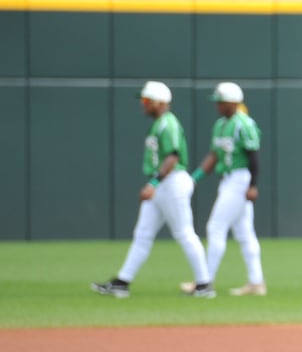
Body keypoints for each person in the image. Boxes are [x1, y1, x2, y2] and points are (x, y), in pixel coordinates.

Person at [92, 82, 215, 298]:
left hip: (171, 182)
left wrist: (154, 183)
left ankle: (204, 285)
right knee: (143, 234)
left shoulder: (168, 123)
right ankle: (122, 282)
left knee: (184, 233)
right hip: (163, 183)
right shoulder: (159, 124)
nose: (143, 105)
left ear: (160, 102)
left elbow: (173, 156)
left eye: (147, 101)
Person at [183, 82, 267, 297]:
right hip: (228, 178)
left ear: (233, 102)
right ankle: (256, 282)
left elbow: (254, 157)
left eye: (221, 102)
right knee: (244, 232)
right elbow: (214, 155)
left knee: (216, 227)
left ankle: (205, 281)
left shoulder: (243, 124)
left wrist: (253, 185)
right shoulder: (220, 125)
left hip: (240, 179)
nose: (217, 106)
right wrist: (194, 179)